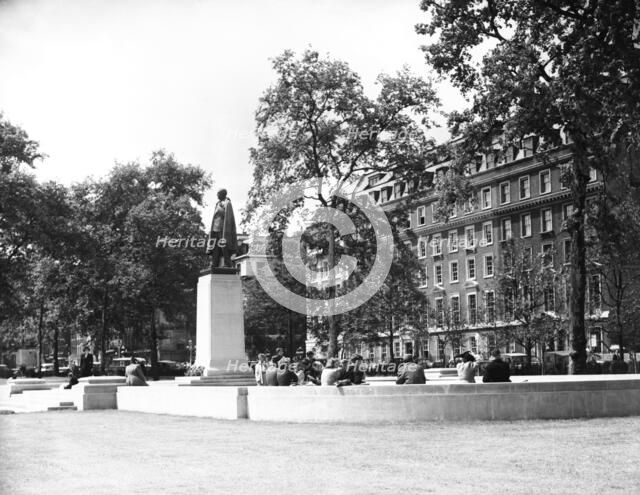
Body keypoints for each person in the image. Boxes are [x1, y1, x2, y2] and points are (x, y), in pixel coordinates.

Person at [206, 188, 238, 269]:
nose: (217, 196)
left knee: (224, 246)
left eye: (218, 194)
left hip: (223, 229)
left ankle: (228, 263)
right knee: (215, 247)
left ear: (223, 194)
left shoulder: (227, 203)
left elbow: (228, 217)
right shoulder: (217, 204)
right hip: (215, 228)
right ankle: (214, 263)